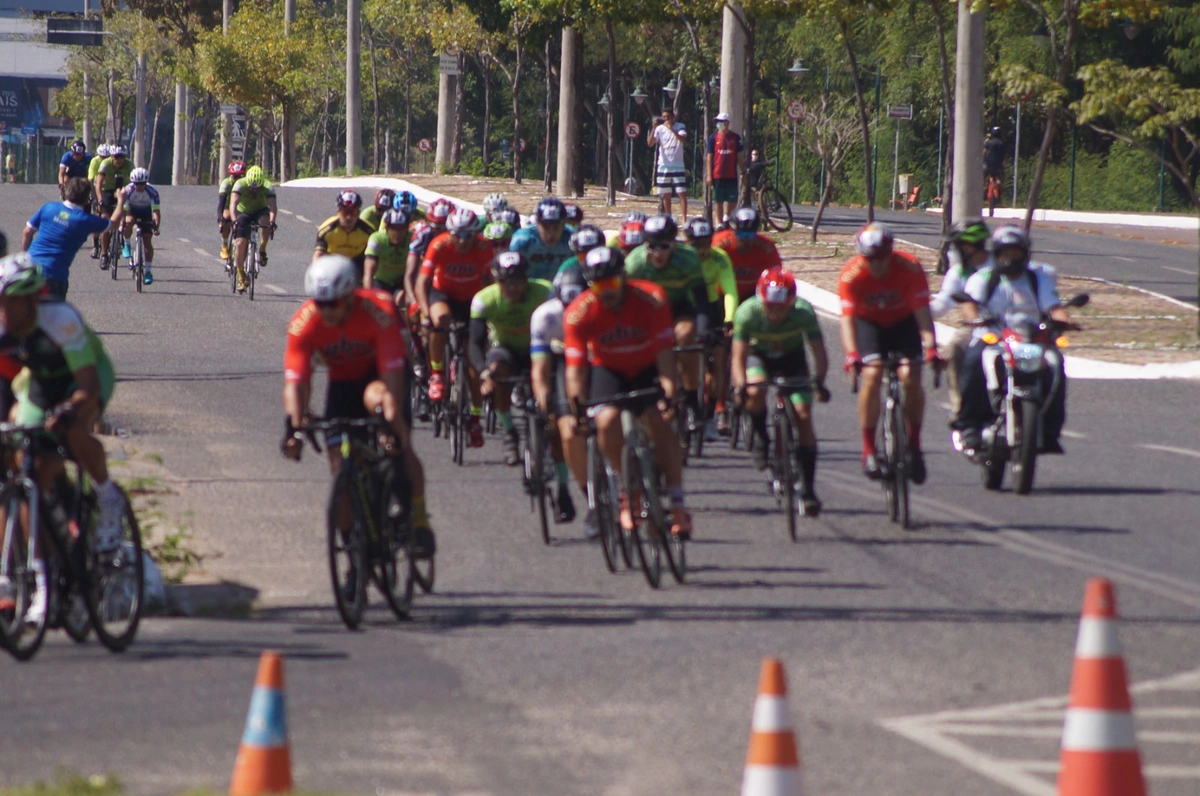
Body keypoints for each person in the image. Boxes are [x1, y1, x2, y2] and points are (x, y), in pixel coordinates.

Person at [282, 254, 436, 560]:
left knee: (397, 440)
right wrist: (293, 428)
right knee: (339, 467)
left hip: (381, 378)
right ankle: (353, 551)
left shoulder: (378, 312)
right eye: (319, 303)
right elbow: (297, 382)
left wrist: (390, 426)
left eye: (333, 304)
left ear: (351, 297)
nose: (325, 311)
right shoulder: (304, 322)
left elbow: (391, 380)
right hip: (343, 383)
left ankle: (418, 520)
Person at [0, 254, 124, 622]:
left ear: (31, 300)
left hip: (85, 377)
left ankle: (107, 495)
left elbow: (87, 383)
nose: (4, 311)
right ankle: (43, 580)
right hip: (41, 382)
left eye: (10, 303)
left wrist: (70, 410)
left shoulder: (60, 319)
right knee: (29, 473)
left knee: (71, 428)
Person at [564, 246, 692, 538]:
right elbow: (576, 369)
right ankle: (627, 491)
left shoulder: (652, 298)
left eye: (610, 283)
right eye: (598, 285)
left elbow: (664, 352)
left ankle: (677, 502)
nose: (605, 291)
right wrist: (577, 407)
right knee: (606, 422)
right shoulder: (579, 313)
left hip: (647, 365)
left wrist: (669, 393)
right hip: (608, 370)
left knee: (659, 419)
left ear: (623, 277)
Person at [953, 226, 1075, 455]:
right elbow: (969, 304)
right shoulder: (984, 278)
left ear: (1025, 253)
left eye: (1015, 253)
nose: (1010, 258)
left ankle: (1049, 430)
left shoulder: (1038, 277)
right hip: (993, 340)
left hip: (1029, 341)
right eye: (1005, 253)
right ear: (995, 253)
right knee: (972, 362)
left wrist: (1063, 321)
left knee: (1055, 366)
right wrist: (976, 319)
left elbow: (1054, 306)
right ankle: (968, 426)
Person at [838, 223, 939, 483]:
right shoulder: (851, 275)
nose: (877, 264)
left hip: (903, 323)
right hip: (868, 324)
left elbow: (922, 314)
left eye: (881, 257)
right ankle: (869, 450)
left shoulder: (910, 267)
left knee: (910, 376)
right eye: (870, 259)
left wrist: (931, 348)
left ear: (890, 252)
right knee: (871, 378)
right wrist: (852, 354)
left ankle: (914, 446)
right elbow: (848, 320)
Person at [731, 268, 829, 515]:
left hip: (791, 359)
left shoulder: (804, 313)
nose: (775, 313)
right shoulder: (747, 313)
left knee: (803, 413)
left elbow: (818, 352)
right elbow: (738, 358)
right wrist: (740, 385)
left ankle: (808, 490)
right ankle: (761, 439)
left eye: (781, 307)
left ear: (792, 302)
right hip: (758, 356)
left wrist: (818, 381)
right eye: (769, 306)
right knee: (755, 392)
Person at [416, 208, 493, 446]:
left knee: (474, 364)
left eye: (467, 235)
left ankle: (476, 419)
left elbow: (493, 282)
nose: (462, 240)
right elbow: (422, 282)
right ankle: (437, 376)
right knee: (439, 321)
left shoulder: (484, 248)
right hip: (443, 295)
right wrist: (424, 312)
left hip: (473, 299)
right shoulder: (439, 245)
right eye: (457, 235)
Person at [469, 252, 554, 467]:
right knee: (499, 371)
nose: (513, 288)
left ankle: (549, 426)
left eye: (518, 282)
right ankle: (509, 432)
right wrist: (484, 372)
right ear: (497, 281)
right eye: (506, 282)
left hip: (538, 347)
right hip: (505, 348)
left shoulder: (545, 292)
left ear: (527, 279)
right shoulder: (484, 300)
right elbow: (474, 343)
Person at [624, 215, 712, 418]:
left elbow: (700, 298)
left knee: (687, 337)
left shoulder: (689, 258)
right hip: (645, 311)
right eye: (652, 247)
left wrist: (705, 327)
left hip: (678, 308)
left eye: (664, 246)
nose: (657, 253)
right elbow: (625, 302)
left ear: (674, 243)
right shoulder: (634, 263)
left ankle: (691, 398)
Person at [531, 263, 591, 535]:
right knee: (562, 427)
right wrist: (544, 399)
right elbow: (540, 369)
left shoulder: (599, 308)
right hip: (562, 362)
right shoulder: (545, 316)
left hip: (595, 360)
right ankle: (575, 490)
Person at [930, 219, 991, 417]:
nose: (953, 251)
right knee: (955, 350)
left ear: (970, 246)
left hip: (1008, 327)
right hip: (974, 328)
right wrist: (914, 310)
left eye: (957, 245)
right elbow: (941, 305)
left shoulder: (1000, 266)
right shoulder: (958, 272)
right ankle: (961, 411)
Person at [684, 217, 738, 435]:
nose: (701, 250)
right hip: (684, 307)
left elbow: (730, 290)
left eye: (706, 244)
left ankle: (711, 406)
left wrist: (729, 319)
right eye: (695, 245)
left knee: (719, 355)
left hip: (711, 308)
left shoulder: (719, 258)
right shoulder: (679, 258)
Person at [22, 177, 117, 299]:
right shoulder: (85, 220)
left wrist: (24, 260)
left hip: (30, 270)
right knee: (53, 316)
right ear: (87, 198)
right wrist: (121, 201)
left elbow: (27, 232)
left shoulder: (48, 207)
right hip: (54, 275)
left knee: (26, 314)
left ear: (65, 192)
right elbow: (113, 224)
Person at [713, 207, 783, 303]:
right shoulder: (718, 244)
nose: (746, 240)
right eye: (741, 234)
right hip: (720, 295)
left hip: (752, 297)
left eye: (750, 235)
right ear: (732, 232)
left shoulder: (767, 248)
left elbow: (777, 278)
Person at [230, 165, 278, 292]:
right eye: (252, 188)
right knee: (240, 243)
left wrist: (272, 222)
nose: (254, 191)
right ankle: (241, 277)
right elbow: (233, 204)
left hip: (260, 211)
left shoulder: (268, 186)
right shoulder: (240, 184)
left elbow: (272, 206)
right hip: (243, 212)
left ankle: (262, 249)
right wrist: (234, 221)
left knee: (266, 221)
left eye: (257, 188)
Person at [115, 168, 162, 285]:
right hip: (131, 211)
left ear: (146, 182)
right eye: (137, 184)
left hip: (146, 212)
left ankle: (148, 271)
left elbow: (156, 212)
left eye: (142, 184)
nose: (139, 186)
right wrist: (122, 223)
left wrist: (156, 227)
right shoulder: (128, 190)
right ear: (133, 183)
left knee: (147, 241)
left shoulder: (152, 192)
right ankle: (126, 244)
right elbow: (123, 210)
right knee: (128, 222)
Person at [509, 197, 574, 281]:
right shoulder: (522, 240)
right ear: (537, 224)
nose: (550, 235)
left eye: (556, 228)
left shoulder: (573, 239)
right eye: (546, 228)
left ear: (564, 224)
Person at [363, 207, 411, 304]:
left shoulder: (413, 239)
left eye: (401, 229)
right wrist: (369, 297)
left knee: (404, 300)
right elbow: (368, 272)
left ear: (406, 229)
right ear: (387, 228)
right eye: (394, 229)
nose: (397, 233)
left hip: (401, 282)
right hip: (380, 282)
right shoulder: (377, 239)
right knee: (384, 301)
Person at [647, 107, 688, 219]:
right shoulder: (659, 129)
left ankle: (684, 218)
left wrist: (672, 129)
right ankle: (668, 217)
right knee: (666, 194)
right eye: (664, 117)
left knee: (681, 193)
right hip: (663, 165)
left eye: (668, 117)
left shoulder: (680, 126)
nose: (666, 119)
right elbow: (650, 143)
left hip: (677, 165)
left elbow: (682, 139)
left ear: (673, 117)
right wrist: (654, 128)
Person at [94, 145, 132, 265]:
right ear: (111, 156)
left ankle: (124, 237)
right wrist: (100, 200)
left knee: (126, 217)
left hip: (123, 190)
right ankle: (104, 254)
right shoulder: (105, 163)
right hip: (107, 191)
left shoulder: (129, 165)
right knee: (105, 221)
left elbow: (134, 183)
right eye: (116, 157)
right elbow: (98, 184)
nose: (119, 160)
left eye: (122, 157)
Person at [706, 112, 744, 227]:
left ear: (727, 123)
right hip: (717, 174)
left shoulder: (735, 138)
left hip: (731, 174)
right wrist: (709, 174)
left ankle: (727, 216)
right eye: (718, 122)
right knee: (719, 200)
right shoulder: (713, 138)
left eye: (722, 122)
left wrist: (743, 171)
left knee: (732, 199)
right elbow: (709, 157)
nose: (719, 124)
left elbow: (739, 157)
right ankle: (719, 223)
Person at [218, 160, 246, 262]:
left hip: (243, 207)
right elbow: (221, 202)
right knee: (226, 217)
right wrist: (220, 217)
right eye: (235, 176)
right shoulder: (226, 183)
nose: (237, 179)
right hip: (228, 206)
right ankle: (225, 244)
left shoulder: (247, 183)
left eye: (240, 176)